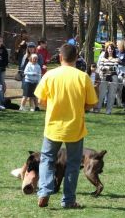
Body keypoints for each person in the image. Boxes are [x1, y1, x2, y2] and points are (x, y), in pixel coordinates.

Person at [34, 44, 98, 209]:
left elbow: (40, 101)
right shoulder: (83, 77)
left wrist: (52, 107)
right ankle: (68, 200)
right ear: (76, 58)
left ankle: (44, 192)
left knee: (47, 160)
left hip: (53, 127)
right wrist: (79, 108)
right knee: (73, 164)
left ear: (60, 57)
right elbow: (91, 103)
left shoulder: (50, 75)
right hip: (75, 127)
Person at [95, 43, 119, 115]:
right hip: (104, 77)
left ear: (114, 50)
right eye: (109, 48)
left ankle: (108, 110)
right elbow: (100, 67)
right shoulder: (102, 58)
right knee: (101, 93)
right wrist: (105, 69)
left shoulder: (117, 59)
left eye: (112, 49)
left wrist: (111, 68)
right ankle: (98, 108)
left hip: (113, 77)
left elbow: (116, 67)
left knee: (112, 94)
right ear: (106, 49)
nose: (110, 50)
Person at [0, 36, 9, 105]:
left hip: (2, 69)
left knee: (2, 83)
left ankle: (2, 98)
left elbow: (6, 61)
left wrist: (0, 65)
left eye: (1, 41)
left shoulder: (4, 50)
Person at [116, 40, 125, 108]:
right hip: (117, 71)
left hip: (123, 72)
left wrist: (120, 61)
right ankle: (118, 101)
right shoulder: (117, 52)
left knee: (122, 86)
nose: (117, 46)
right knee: (117, 86)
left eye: (118, 44)